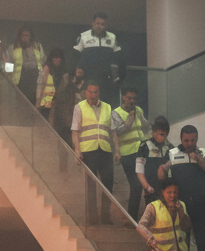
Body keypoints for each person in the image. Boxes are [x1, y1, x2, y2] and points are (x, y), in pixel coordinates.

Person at [158, 125, 205, 251]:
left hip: (199, 202)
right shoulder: (172, 153)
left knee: (203, 240)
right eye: (186, 140)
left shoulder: (203, 152)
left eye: (192, 140)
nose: (189, 143)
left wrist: (198, 158)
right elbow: (160, 175)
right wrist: (165, 166)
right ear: (181, 139)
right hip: (179, 204)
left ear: (196, 139)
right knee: (181, 242)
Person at [71, 81, 119, 226]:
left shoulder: (107, 107)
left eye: (95, 92)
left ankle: (105, 217)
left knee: (108, 185)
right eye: (90, 92)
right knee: (90, 186)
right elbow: (75, 131)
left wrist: (117, 150)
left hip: (105, 151)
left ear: (99, 93)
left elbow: (113, 132)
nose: (93, 95)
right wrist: (77, 150)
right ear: (85, 92)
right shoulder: (79, 107)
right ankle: (92, 218)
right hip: (88, 151)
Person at [111, 87, 151, 221]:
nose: (132, 101)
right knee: (136, 184)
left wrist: (139, 116)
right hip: (127, 154)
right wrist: (129, 119)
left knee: (147, 183)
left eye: (134, 98)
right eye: (129, 98)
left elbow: (146, 127)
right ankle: (132, 218)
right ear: (123, 97)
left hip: (141, 151)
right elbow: (118, 132)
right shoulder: (116, 113)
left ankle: (148, 216)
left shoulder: (138, 110)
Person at [73, 12, 123, 107]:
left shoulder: (112, 37)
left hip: (106, 79)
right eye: (98, 23)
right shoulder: (84, 36)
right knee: (89, 104)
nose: (100, 26)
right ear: (93, 23)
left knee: (105, 105)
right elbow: (75, 54)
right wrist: (77, 68)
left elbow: (118, 57)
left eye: (102, 24)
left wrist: (118, 75)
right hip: (89, 77)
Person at [4, 26, 45, 106]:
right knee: (20, 104)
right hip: (20, 81)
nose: (26, 38)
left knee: (34, 104)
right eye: (23, 35)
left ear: (31, 36)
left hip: (35, 81)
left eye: (27, 35)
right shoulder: (13, 47)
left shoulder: (38, 47)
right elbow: (8, 62)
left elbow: (43, 61)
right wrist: (9, 77)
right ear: (20, 37)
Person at [134, 115, 171, 204]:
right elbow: (139, 170)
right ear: (154, 132)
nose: (163, 137)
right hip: (151, 190)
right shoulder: (144, 146)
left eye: (165, 135)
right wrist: (147, 187)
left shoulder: (169, 147)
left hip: (166, 190)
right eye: (161, 134)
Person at [37, 47, 67, 119]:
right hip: (46, 103)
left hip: (58, 102)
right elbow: (41, 85)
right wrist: (38, 100)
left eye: (58, 58)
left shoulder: (64, 71)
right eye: (55, 58)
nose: (57, 60)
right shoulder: (46, 69)